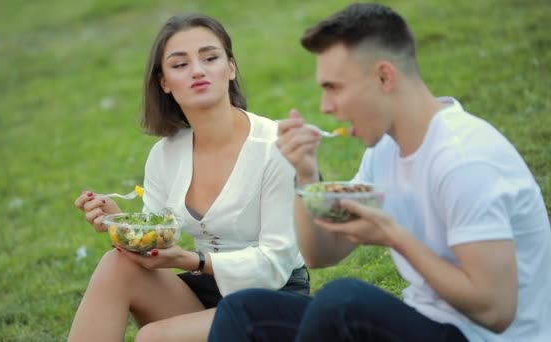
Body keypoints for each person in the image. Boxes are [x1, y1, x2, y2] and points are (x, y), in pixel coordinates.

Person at [208, 3, 551, 342]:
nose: (326, 106)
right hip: (426, 321)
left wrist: (395, 237)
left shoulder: (466, 161)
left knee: (342, 304)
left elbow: (497, 312)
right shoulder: (384, 150)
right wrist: (306, 176)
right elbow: (321, 254)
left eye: (334, 87)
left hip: (485, 337)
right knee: (243, 311)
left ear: (385, 76)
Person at [68, 13, 308, 342]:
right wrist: (119, 223)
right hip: (205, 298)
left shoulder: (275, 146)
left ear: (231, 68)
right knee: (117, 265)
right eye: (180, 65)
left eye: (210, 58)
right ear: (164, 82)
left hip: (274, 300)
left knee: (154, 337)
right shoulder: (165, 154)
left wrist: (192, 260)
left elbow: (276, 264)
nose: (197, 70)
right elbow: (154, 240)